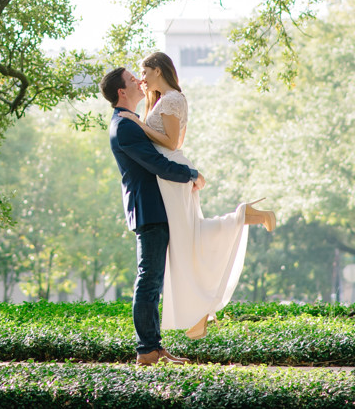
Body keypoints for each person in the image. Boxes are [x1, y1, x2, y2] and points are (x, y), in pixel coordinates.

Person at [114, 51, 276, 340]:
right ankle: (201, 310)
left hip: (171, 176)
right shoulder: (165, 99)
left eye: (144, 71)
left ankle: (244, 217)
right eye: (137, 74)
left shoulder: (172, 99)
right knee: (188, 239)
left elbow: (173, 142)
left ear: (158, 71)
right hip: (171, 175)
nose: (141, 78)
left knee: (187, 240)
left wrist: (139, 123)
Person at [101, 64, 203, 366]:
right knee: (149, 280)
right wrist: (191, 174)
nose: (139, 81)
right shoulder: (125, 126)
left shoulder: (131, 121)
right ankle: (147, 349)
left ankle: (155, 348)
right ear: (122, 91)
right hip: (149, 208)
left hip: (154, 207)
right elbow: (156, 163)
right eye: (133, 80)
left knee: (153, 279)